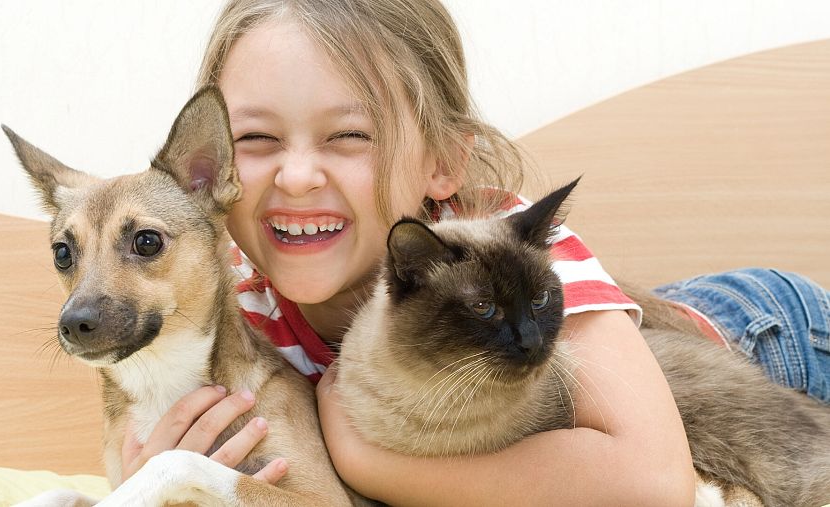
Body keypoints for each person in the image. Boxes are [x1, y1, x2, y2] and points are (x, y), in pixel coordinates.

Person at [120, 1, 830, 505]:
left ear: (443, 163)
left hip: (765, 334)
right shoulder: (235, 307)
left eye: (349, 136)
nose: (298, 176)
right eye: (256, 139)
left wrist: (363, 455)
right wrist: (157, 478)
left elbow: (653, 482)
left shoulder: (505, 249)